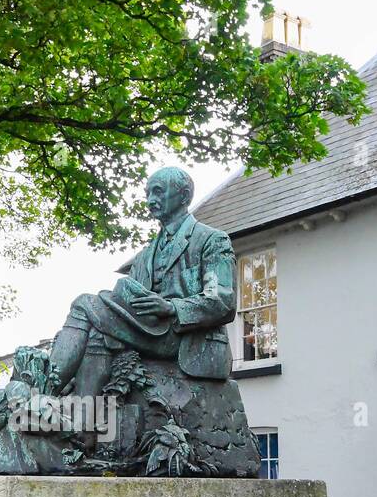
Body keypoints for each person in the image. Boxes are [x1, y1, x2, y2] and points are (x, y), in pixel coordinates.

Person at [48, 166, 237, 397]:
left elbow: (223, 301)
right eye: (148, 193)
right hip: (148, 330)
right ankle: (85, 422)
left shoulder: (212, 240)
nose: (150, 201)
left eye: (157, 192)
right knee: (98, 333)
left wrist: (172, 307)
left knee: (83, 303)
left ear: (184, 196)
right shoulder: (145, 255)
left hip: (188, 338)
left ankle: (45, 392)